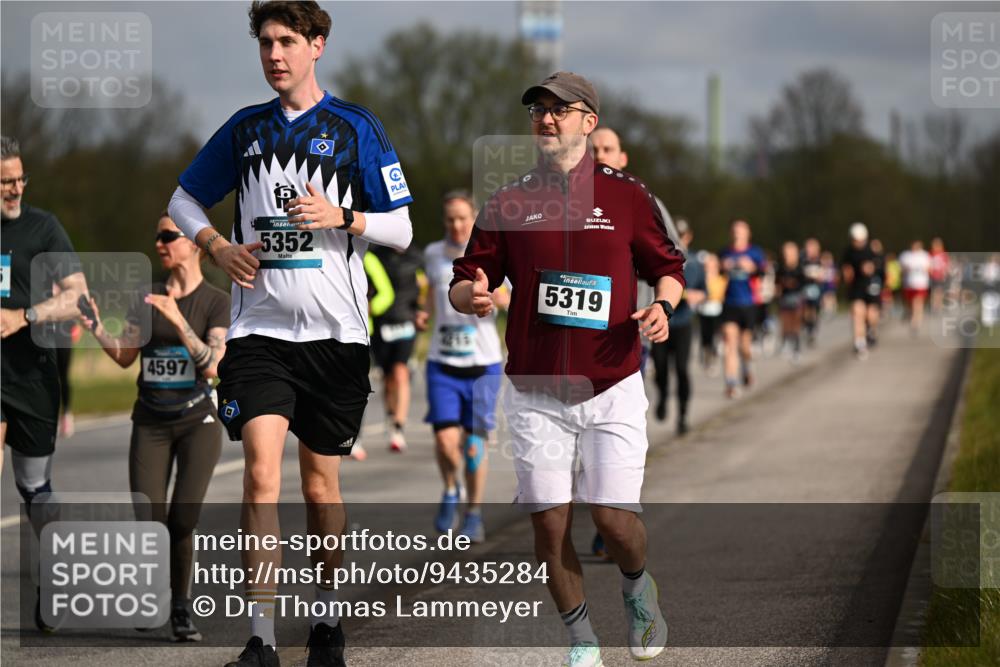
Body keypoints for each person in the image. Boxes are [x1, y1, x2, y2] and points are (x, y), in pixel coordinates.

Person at [166, 3, 414, 666]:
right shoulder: (245, 131)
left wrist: (343, 215)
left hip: (335, 334)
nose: (275, 55)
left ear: (317, 45)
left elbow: (402, 230)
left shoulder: (357, 127)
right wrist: (215, 244)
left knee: (320, 488)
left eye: (287, 42)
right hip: (259, 331)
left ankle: (327, 622)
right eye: (266, 44)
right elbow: (183, 200)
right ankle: (261, 639)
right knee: (258, 478)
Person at [449, 72, 683, 666]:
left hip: (612, 380)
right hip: (534, 389)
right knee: (550, 528)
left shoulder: (630, 197)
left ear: (589, 121)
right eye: (538, 112)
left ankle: (637, 587)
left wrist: (664, 305)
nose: (546, 120)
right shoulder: (507, 201)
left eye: (560, 110)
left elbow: (669, 267)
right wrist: (469, 296)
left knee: (613, 517)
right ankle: (582, 640)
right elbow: (465, 276)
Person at [80, 213, 229, 642]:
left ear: (194, 244)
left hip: (196, 421)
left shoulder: (216, 301)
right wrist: (94, 326)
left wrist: (178, 320)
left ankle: (181, 608)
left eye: (168, 236)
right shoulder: (143, 297)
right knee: (149, 519)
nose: (160, 244)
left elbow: (213, 366)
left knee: (182, 520)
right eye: (157, 237)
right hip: (149, 420)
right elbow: (126, 356)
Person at [0, 135, 87, 631]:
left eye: (19, 179)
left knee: (34, 488)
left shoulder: (43, 227)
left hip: (31, 371)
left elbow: (77, 296)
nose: (15, 189)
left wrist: (25, 315)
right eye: (5, 181)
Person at [418, 190, 507, 543]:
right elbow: (431, 291)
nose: (457, 225)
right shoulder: (433, 254)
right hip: (442, 360)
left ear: (475, 220)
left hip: (483, 364)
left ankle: (473, 513)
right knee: (444, 442)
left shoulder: (491, 255)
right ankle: (451, 490)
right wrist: (424, 310)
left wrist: (496, 295)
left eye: (463, 218)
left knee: (473, 447)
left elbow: (511, 297)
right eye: (451, 219)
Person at [368, 241, 425, 453]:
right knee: (388, 377)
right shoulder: (375, 255)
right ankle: (391, 418)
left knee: (400, 372)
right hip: (381, 322)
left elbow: (424, 288)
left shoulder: (417, 257)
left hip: (406, 321)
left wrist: (420, 311)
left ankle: (398, 427)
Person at [649, 219, 704, 433]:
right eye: (675, 234)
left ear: (689, 236)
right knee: (660, 368)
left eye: (682, 235)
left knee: (681, 368)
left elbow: (704, 289)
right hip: (661, 322)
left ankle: (682, 415)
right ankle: (662, 396)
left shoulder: (696, 261)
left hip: (683, 323)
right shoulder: (660, 256)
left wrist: (698, 296)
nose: (679, 239)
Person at [718, 220, 766, 398]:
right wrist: (723, 266)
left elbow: (764, 273)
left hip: (749, 303)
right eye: (734, 231)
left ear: (748, 234)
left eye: (741, 231)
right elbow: (716, 274)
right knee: (730, 342)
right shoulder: (725, 252)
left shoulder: (755, 252)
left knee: (745, 346)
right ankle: (731, 382)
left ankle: (747, 368)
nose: (737, 234)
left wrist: (752, 267)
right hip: (730, 303)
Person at [841, 223, 881, 359]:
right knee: (858, 313)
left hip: (871, 287)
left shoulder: (872, 250)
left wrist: (872, 269)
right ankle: (859, 343)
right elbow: (845, 270)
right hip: (856, 287)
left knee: (871, 315)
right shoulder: (848, 252)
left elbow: (881, 269)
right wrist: (847, 274)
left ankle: (871, 331)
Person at [775, 241, 806, 362]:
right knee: (785, 321)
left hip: (797, 297)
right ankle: (786, 341)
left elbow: (803, 283)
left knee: (796, 322)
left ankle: (796, 347)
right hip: (784, 298)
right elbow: (777, 283)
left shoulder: (800, 267)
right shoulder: (780, 268)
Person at [899, 239, 932, 334]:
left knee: (918, 302)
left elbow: (929, 269)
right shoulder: (905, 255)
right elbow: (901, 270)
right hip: (908, 284)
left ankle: (916, 322)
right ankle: (910, 314)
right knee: (909, 303)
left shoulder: (925, 256)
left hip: (921, 284)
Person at [801, 238, 824, 347]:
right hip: (805, 288)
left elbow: (825, 274)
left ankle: (812, 329)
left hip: (816, 288)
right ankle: (807, 326)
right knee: (805, 309)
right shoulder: (802, 259)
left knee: (814, 309)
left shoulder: (820, 260)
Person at [929, 237, 950, 314]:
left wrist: (945, 272)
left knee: (940, 291)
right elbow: (928, 264)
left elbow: (946, 264)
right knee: (934, 291)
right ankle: (934, 306)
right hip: (933, 275)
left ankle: (939, 306)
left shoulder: (943, 254)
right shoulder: (931, 254)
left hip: (941, 275)